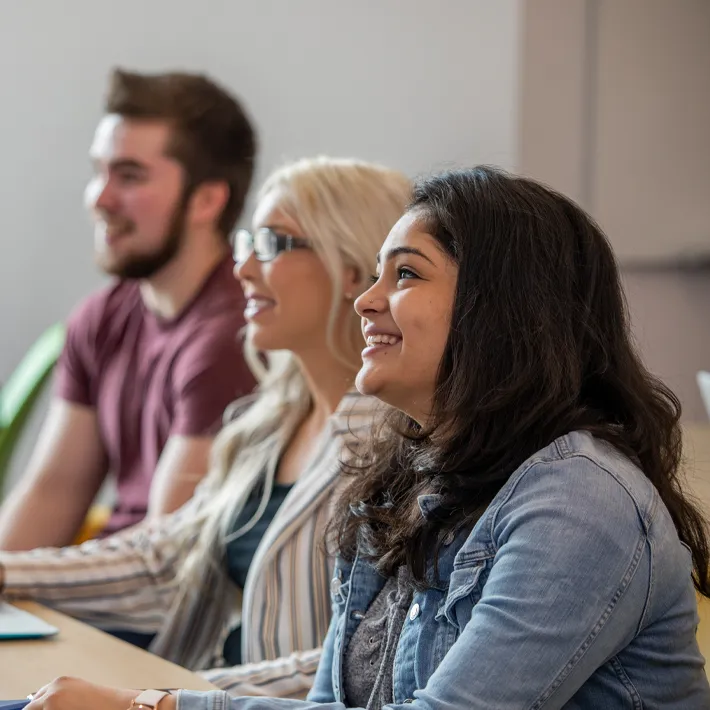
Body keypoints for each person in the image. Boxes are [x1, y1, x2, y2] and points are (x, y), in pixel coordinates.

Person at [21, 166, 710, 708]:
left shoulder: (579, 501)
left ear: (498, 310)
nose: (367, 301)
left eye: (405, 274)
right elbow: (333, 703)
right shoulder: (404, 475)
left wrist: (155, 705)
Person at [0, 156, 411, 698]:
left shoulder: (396, 444)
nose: (242, 269)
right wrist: (10, 573)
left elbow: (361, 661)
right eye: (247, 245)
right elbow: (166, 561)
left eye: (272, 245)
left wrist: (166, 697)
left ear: (356, 270)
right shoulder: (268, 421)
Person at [0, 68, 257, 549]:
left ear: (206, 200)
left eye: (129, 175)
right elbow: (53, 494)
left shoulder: (234, 335)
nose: (99, 198)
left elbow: (162, 565)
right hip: (96, 586)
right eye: (99, 171)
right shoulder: (100, 319)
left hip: (147, 609)